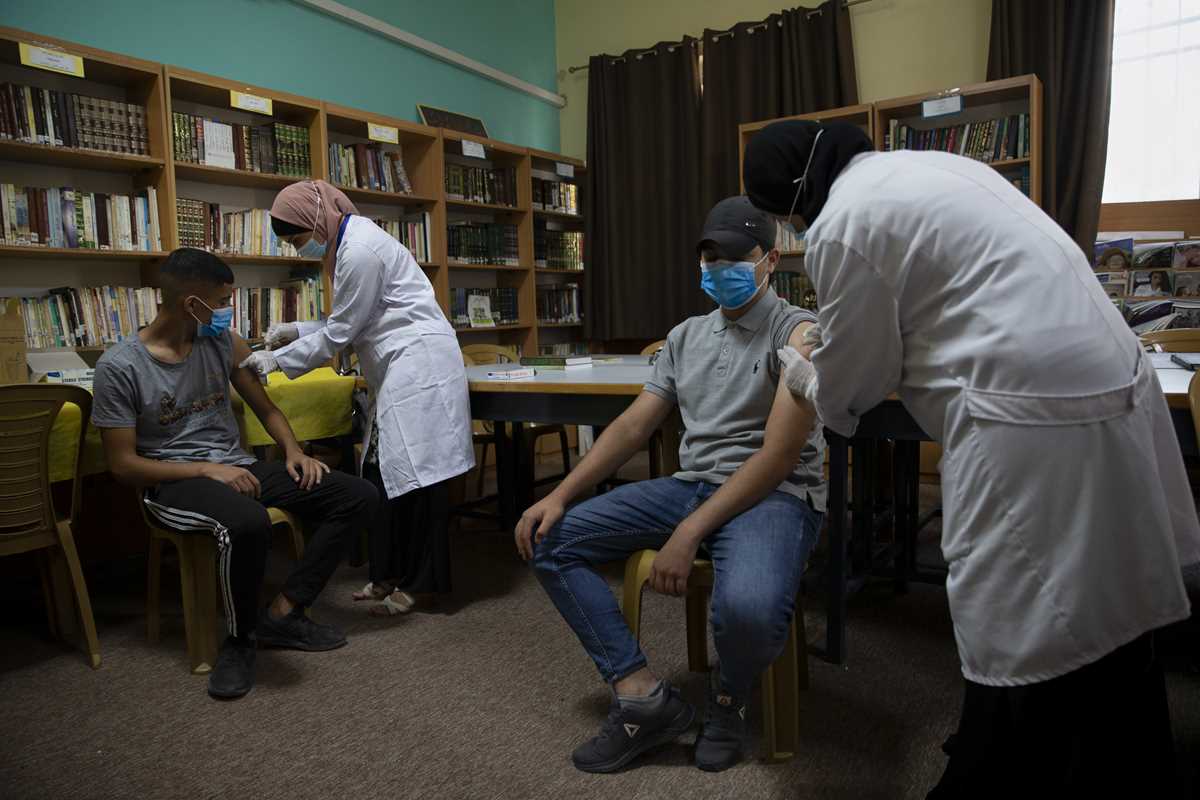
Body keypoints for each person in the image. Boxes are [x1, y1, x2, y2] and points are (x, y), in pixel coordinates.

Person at [743, 119, 1200, 797]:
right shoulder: (928, 169)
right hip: (1107, 368)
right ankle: (1118, 758)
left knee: (1022, 607)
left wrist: (805, 373)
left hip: (1029, 406)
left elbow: (855, 385)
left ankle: (1006, 767)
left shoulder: (841, 224)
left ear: (792, 199)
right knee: (1111, 588)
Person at [515, 196, 826, 774]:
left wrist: (688, 532)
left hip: (774, 495)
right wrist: (560, 494)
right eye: (710, 258)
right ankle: (642, 697)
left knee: (749, 609)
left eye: (735, 258)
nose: (718, 270)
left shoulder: (799, 331)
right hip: (692, 485)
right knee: (550, 539)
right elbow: (634, 425)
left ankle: (728, 702)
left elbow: (778, 457)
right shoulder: (685, 336)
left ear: (770, 260)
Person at [93, 248, 378, 700]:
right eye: (223, 301)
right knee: (248, 521)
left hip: (236, 467)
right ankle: (240, 641)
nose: (228, 310)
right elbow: (123, 466)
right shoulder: (119, 367)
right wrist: (208, 469)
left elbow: (267, 409)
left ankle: (282, 613)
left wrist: (293, 451)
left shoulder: (224, 342)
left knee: (357, 494)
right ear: (192, 304)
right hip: (173, 482)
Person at [241, 180, 474, 616]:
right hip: (399, 365)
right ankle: (388, 575)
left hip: (420, 365)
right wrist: (296, 331)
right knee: (382, 474)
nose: (298, 249)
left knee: (421, 479)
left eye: (297, 239)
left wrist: (277, 361)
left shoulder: (360, 250)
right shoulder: (344, 245)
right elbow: (353, 320)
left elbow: (342, 332)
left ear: (315, 219)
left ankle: (422, 584)